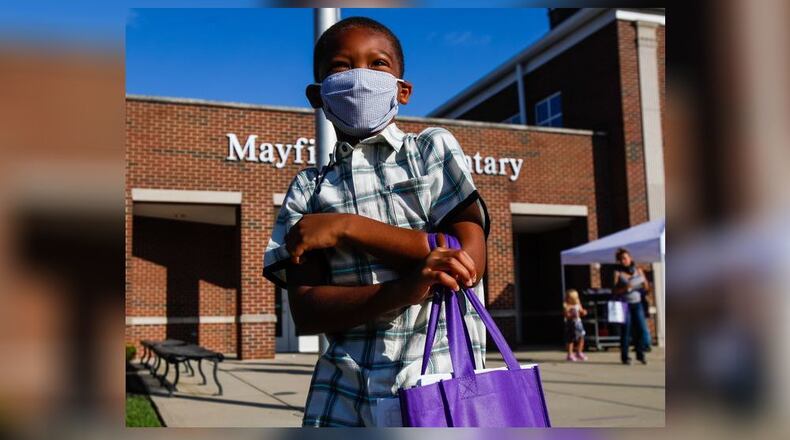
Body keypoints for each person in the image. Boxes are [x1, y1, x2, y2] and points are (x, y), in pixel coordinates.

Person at [263, 17, 489, 427]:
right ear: (318, 96)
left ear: (403, 90)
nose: (359, 77)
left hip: (442, 382)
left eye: (378, 63)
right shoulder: (308, 190)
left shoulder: (430, 151)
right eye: (340, 67)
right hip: (343, 395)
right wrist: (406, 287)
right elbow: (308, 311)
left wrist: (349, 227)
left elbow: (469, 260)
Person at [613, 248, 649, 365]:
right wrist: (625, 288)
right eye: (621, 259)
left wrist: (644, 286)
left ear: (630, 258)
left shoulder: (638, 270)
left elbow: (647, 287)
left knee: (641, 329)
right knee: (626, 331)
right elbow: (614, 291)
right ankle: (625, 356)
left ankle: (640, 354)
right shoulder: (618, 273)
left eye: (625, 258)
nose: (624, 261)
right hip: (625, 304)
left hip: (637, 303)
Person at [563, 289, 588, 361]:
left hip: (578, 323)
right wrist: (570, 314)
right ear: (568, 299)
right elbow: (566, 315)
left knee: (581, 337)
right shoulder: (567, 305)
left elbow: (581, 311)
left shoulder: (578, 304)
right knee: (570, 339)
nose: (576, 299)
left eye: (577, 298)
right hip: (571, 324)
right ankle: (570, 354)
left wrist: (583, 312)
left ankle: (579, 352)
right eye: (573, 298)